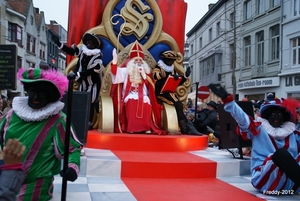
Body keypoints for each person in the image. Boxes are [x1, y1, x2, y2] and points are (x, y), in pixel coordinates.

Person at [0, 68, 83, 200]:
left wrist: (72, 167)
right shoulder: (12, 115)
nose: (36, 97)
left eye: (42, 94)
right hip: (6, 176)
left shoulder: (58, 120)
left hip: (36, 184)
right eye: (33, 92)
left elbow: (72, 149)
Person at [208, 83, 300, 194]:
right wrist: (228, 100)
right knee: (281, 154)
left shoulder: (293, 133)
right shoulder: (258, 129)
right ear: (267, 116)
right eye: (273, 114)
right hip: (267, 180)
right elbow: (243, 119)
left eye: (279, 114)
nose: (276, 117)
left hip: (291, 184)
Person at [110, 41, 164, 134]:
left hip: (143, 95)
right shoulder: (126, 71)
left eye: (140, 61)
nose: (138, 62)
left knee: (146, 101)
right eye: (136, 60)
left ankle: (146, 127)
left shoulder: (146, 72)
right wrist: (114, 61)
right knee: (131, 101)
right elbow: (116, 74)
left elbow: (151, 86)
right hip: (130, 94)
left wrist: (143, 74)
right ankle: (131, 128)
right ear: (131, 62)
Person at [54, 32, 103, 130]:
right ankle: (81, 121)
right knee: (82, 102)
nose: (89, 43)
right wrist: (59, 44)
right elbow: (71, 51)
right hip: (82, 82)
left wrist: (79, 74)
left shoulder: (98, 55)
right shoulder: (82, 51)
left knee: (90, 102)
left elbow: (94, 70)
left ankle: (89, 122)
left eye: (91, 41)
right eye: (87, 41)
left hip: (93, 83)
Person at [153, 50, 200, 135]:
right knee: (178, 105)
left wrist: (184, 76)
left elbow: (177, 83)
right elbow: (156, 80)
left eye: (173, 61)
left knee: (180, 105)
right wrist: (169, 77)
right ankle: (185, 128)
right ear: (165, 60)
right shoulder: (158, 68)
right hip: (160, 93)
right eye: (170, 60)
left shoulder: (172, 69)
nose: (171, 62)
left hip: (170, 92)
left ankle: (186, 128)